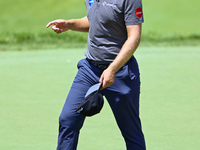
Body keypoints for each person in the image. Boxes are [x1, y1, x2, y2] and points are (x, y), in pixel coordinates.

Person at [46, 0, 146, 149]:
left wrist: (112, 69)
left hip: (121, 72)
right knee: (68, 120)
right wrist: (70, 24)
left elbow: (134, 37)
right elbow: (95, 20)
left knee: (131, 130)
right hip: (89, 70)